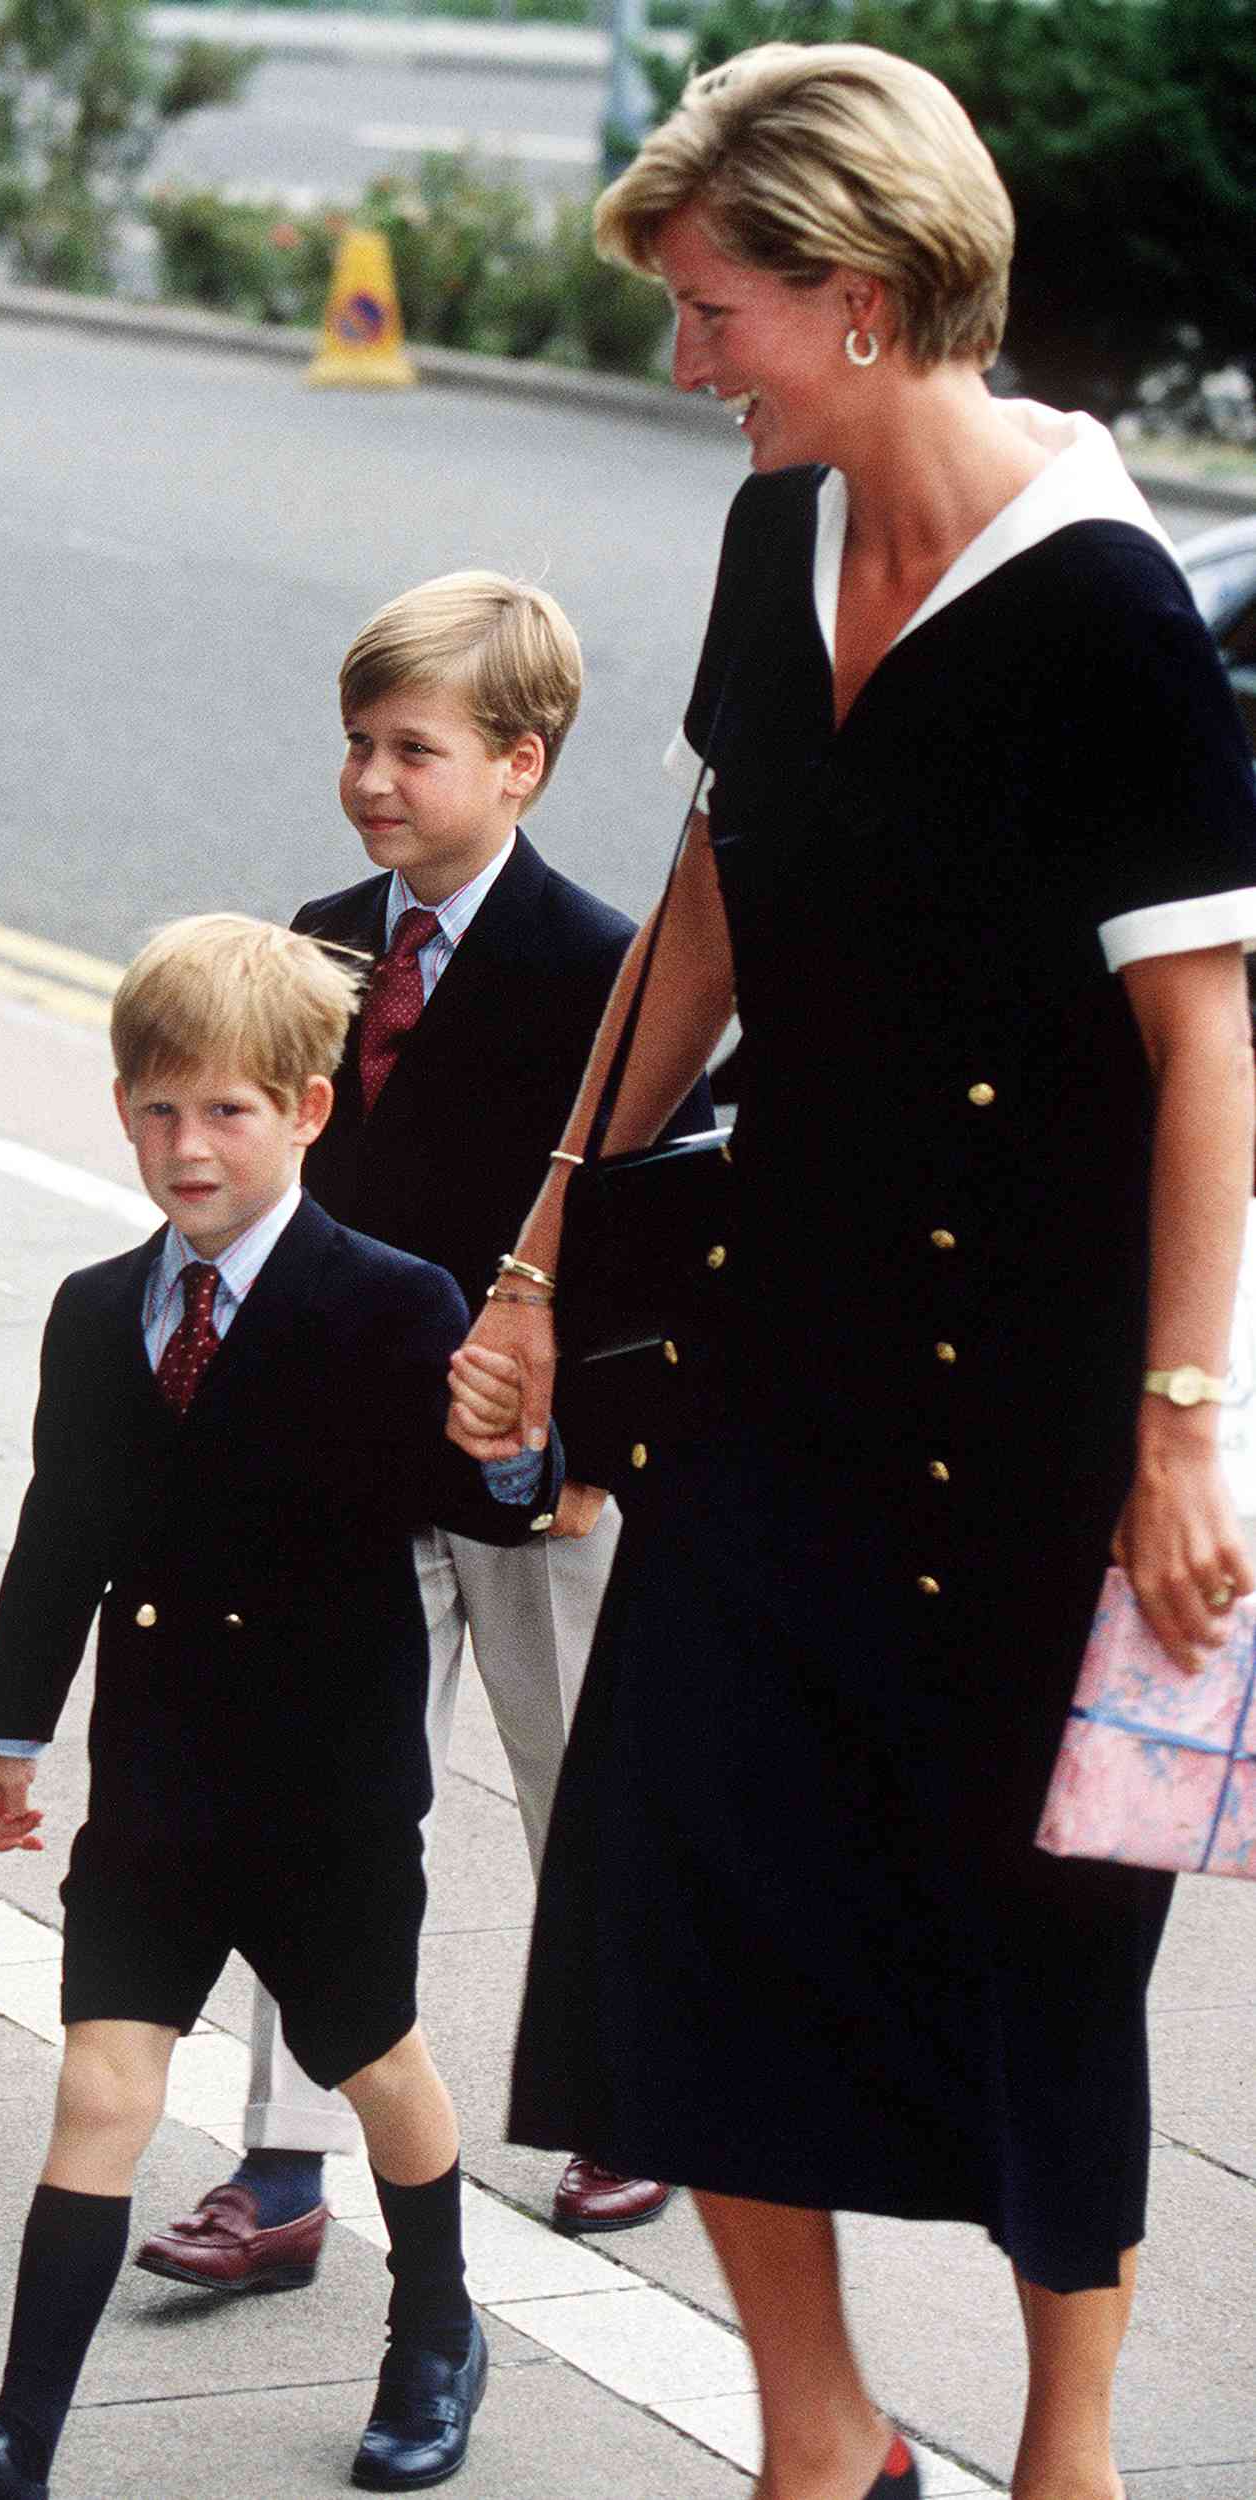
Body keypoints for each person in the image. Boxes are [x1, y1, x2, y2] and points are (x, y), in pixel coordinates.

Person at [446, 44, 1256, 2500]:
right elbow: (706, 905)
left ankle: (1071, 2453)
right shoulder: (772, 539)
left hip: (1042, 1384)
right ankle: (824, 2438)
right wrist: (542, 1242)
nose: (688, 360)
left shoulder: (1107, 605)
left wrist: (1179, 1426)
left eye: (721, 312)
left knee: (1040, 1935)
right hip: (787, 1341)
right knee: (672, 1870)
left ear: (871, 300)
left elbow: (1209, 1035)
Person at [0, 914, 564, 2500]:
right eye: (160, 1109)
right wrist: (12, 1733)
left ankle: (437, 2329)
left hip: (327, 1786)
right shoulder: (97, 1305)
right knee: (104, 2084)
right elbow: (65, 1531)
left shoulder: (389, 1300)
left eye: (230, 1111)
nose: (189, 1147)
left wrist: (517, 1451)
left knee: (376, 2063)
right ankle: (16, 2440)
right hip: (163, 1778)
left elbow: (489, 1512)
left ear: (310, 1110)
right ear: (123, 1108)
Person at [135, 572, 708, 2290]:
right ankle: (285, 2171)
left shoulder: (612, 968)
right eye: (358, 745)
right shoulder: (318, 936)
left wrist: (598, 1453)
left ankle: (636, 2101)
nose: (375, 780)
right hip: (351, 1465)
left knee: (574, 1795)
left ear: (522, 766)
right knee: (324, 1801)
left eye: (416, 749)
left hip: (539, 1477)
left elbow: (650, 1236)